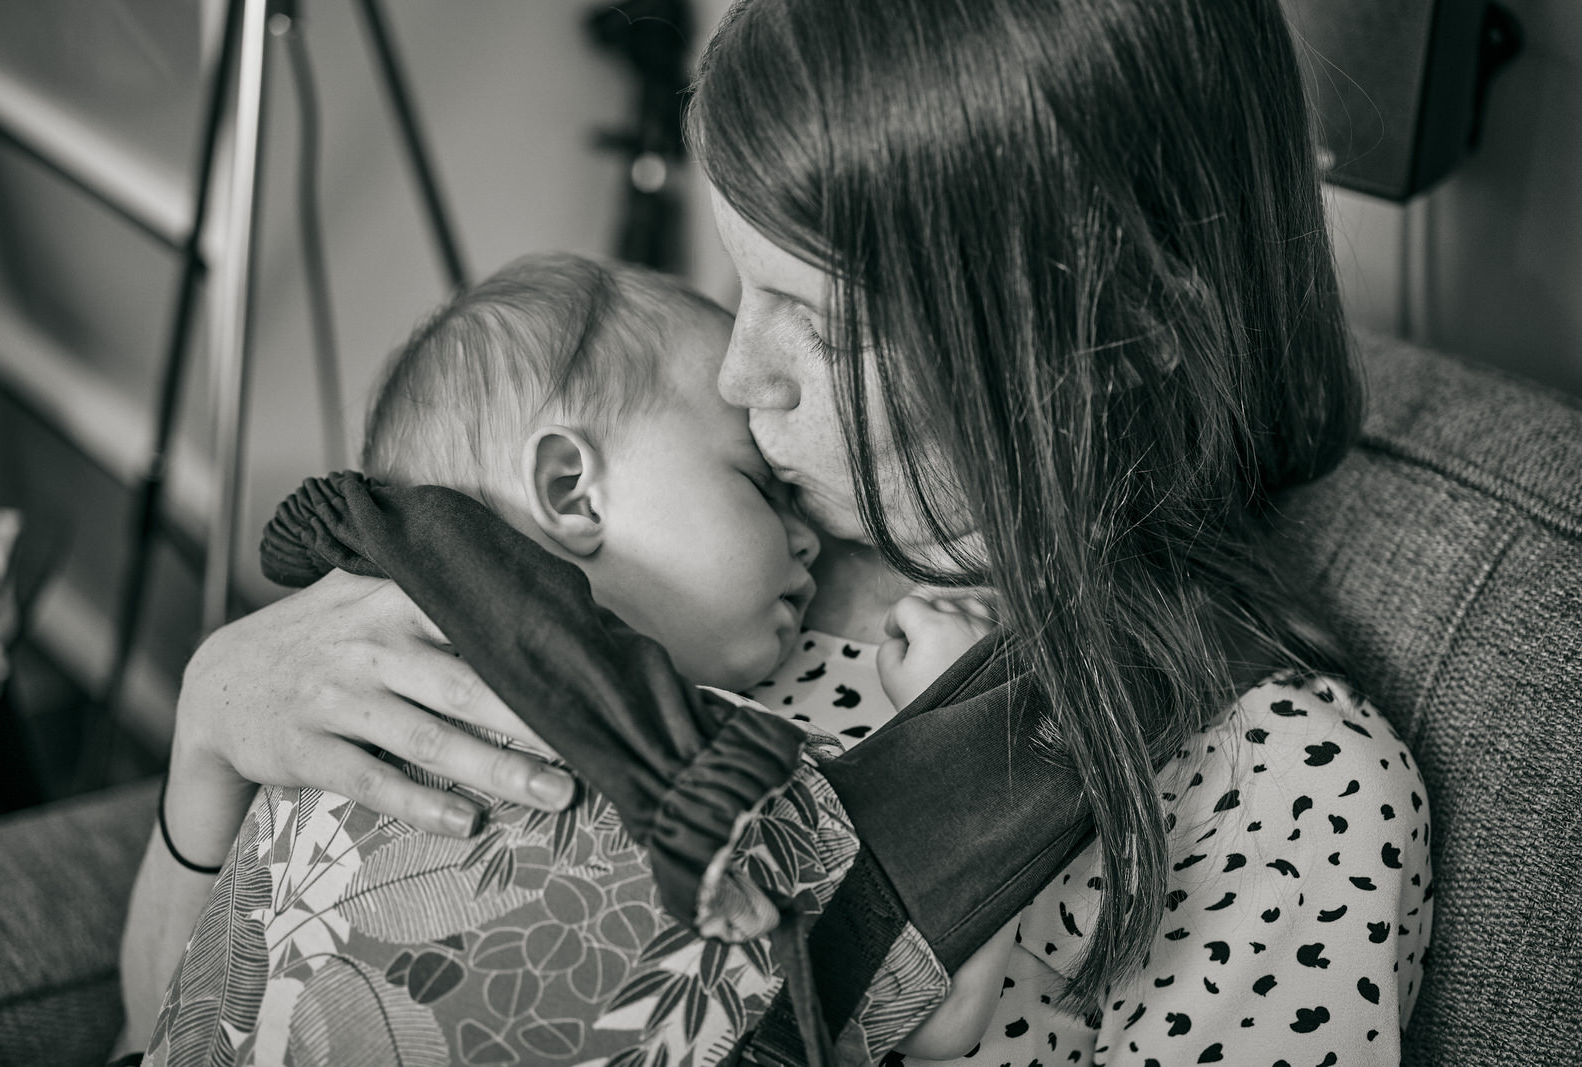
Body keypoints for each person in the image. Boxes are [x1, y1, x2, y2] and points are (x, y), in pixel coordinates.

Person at [120, 0, 1434, 1064]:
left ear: (1109, 336)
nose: (741, 378)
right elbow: (170, 1021)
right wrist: (210, 740)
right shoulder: (654, 561)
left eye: (826, 318)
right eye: (738, 281)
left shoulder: (1284, 789)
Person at [137, 250, 1004, 1064]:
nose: (805, 539)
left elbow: (180, 1010)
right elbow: (942, 1019)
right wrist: (967, 721)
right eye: (758, 486)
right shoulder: (717, 771)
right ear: (571, 491)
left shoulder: (368, 675)